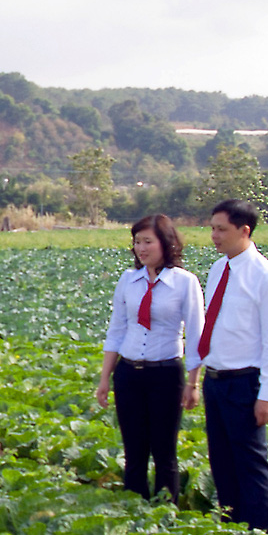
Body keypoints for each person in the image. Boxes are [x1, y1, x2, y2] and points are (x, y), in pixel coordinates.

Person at [186, 198, 268, 531]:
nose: (214, 236)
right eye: (212, 228)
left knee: (250, 464)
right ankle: (232, 529)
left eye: (222, 230)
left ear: (244, 231)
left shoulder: (267, 278)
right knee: (222, 462)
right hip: (216, 380)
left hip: (246, 382)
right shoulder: (219, 269)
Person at [94, 213, 205, 502]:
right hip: (129, 373)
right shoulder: (129, 280)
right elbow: (116, 331)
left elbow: (195, 336)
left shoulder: (185, 282)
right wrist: (105, 378)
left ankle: (166, 511)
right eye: (137, 242)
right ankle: (134, 511)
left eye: (148, 241)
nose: (141, 248)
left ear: (166, 244)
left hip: (165, 373)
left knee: (164, 451)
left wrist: (193, 384)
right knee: (134, 451)